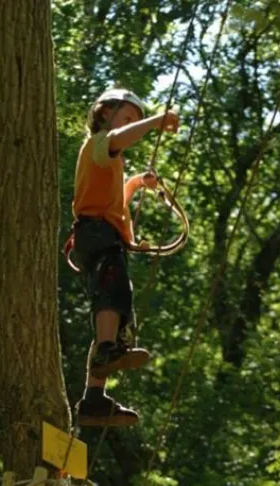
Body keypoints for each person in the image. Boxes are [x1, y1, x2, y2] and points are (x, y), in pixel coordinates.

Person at [72, 88, 179, 427]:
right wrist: (156, 121)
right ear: (105, 114)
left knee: (117, 310)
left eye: (136, 119)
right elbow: (118, 139)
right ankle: (107, 350)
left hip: (101, 235)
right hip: (97, 234)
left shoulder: (107, 159)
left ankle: (94, 399)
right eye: (128, 117)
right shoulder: (99, 144)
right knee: (112, 295)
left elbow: (114, 199)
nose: (133, 124)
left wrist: (136, 182)